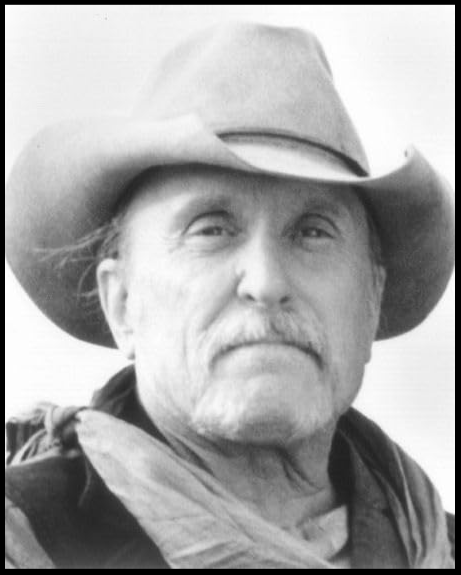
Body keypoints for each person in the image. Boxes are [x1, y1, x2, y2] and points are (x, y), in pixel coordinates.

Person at [5, 22, 455, 569]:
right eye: (211, 230)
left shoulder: (436, 548)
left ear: (371, 303)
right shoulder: (25, 538)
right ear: (121, 303)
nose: (266, 282)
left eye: (313, 232)